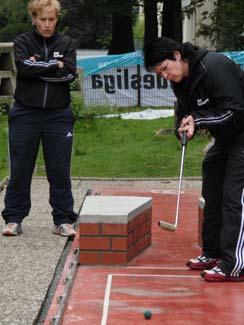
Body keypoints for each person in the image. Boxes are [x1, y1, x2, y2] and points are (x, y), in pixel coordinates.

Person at [144, 37, 244, 282]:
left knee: (234, 199)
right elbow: (188, 111)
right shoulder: (181, 81)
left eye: (165, 69)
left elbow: (234, 111)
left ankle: (235, 264)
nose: (165, 76)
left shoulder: (214, 66)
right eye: (160, 74)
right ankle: (213, 253)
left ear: (177, 55)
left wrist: (199, 121)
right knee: (212, 192)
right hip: (224, 139)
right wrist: (186, 125)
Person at [1, 0, 77, 237]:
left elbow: (70, 73)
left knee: (59, 168)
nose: (47, 24)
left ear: (57, 19)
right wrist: (56, 64)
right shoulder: (23, 41)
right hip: (26, 113)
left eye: (51, 19)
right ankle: (13, 218)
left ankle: (63, 220)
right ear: (34, 18)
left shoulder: (67, 43)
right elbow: (23, 69)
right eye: (42, 19)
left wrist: (40, 68)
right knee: (21, 167)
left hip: (58, 115)